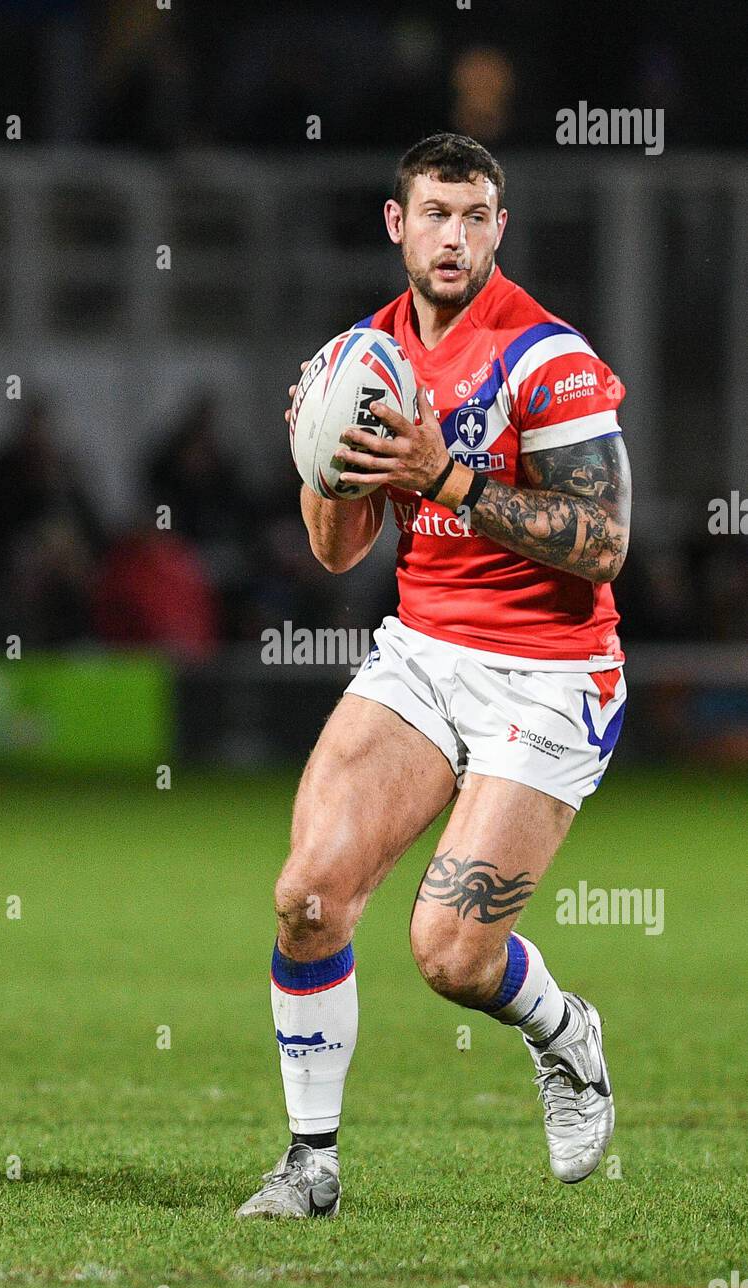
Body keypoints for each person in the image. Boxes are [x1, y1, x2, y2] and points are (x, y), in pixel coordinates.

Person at [236, 133, 631, 1219]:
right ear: (394, 224)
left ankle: (564, 1031)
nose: (450, 236)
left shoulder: (544, 357)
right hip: (423, 654)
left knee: (450, 955)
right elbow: (332, 552)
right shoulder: (364, 351)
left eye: (472, 216)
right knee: (308, 894)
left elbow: (602, 542)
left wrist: (445, 474)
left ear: (498, 228)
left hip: (549, 673)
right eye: (432, 214)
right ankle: (309, 1164)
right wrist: (318, 464)